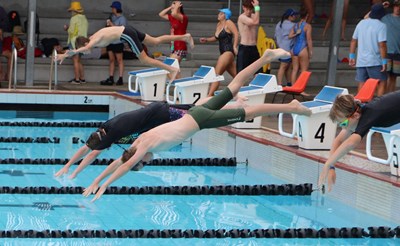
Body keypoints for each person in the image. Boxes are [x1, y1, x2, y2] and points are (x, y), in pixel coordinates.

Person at [82, 48, 313, 201]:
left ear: (139, 160)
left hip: (200, 120)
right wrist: (95, 180)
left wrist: (104, 187)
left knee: (249, 112)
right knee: (234, 87)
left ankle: (291, 107)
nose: (146, 163)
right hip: (196, 114)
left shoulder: (144, 146)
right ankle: (264, 58)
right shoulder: (140, 142)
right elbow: (119, 161)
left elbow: (123, 166)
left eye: (142, 165)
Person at [319, 91, 400, 192]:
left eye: (343, 123)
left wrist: (327, 164)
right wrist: (331, 167)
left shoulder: (369, 114)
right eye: (340, 124)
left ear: (355, 116)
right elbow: (338, 141)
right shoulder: (360, 112)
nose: (342, 127)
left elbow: (351, 143)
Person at [56, 26, 195, 83]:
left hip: (126, 35)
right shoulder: (93, 36)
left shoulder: (94, 41)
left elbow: (82, 49)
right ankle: (184, 37)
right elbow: (83, 45)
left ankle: (172, 69)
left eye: (84, 49)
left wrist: (65, 54)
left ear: (84, 44)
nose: (85, 52)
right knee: (155, 40)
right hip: (128, 29)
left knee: (145, 60)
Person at [349, 3, 387, 96]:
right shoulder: (381, 25)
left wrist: (351, 56)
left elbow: (353, 41)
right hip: (375, 60)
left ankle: (359, 105)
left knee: (362, 83)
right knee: (381, 82)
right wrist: (384, 61)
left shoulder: (361, 23)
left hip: (361, 60)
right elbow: (382, 45)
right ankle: (379, 106)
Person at [199, 8, 239, 96]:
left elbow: (236, 33)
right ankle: (244, 94)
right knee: (237, 77)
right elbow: (216, 37)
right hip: (223, 53)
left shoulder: (229, 23)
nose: (218, 15)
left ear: (225, 15)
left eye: (220, 14)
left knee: (216, 75)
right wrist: (207, 40)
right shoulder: (218, 25)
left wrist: (235, 46)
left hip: (228, 52)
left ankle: (209, 96)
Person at [100, 1, 127, 86]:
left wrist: (111, 24)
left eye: (113, 8)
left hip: (118, 41)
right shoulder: (112, 17)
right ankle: (111, 77)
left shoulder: (122, 19)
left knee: (119, 60)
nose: (112, 9)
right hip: (110, 41)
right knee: (111, 60)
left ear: (116, 9)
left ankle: (120, 78)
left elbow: (121, 29)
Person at [65, 1, 89, 85]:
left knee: (75, 60)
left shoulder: (74, 18)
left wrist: (66, 28)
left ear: (74, 11)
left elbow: (71, 31)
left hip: (74, 41)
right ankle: (82, 78)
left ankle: (77, 79)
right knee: (79, 61)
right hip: (83, 41)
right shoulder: (84, 18)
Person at [289, 8, 313, 86]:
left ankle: (293, 87)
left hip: (294, 49)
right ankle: (300, 89)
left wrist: (296, 33)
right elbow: (308, 39)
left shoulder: (295, 25)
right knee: (303, 71)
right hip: (302, 49)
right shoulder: (307, 26)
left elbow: (289, 36)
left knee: (294, 70)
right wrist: (310, 51)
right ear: (307, 16)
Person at [274, 8, 298, 86]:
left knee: (287, 67)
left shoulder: (279, 23)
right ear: (290, 16)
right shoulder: (293, 25)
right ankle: (279, 84)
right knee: (284, 66)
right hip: (287, 47)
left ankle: (288, 82)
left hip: (280, 46)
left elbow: (275, 36)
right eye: (294, 15)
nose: (295, 16)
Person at [236, 0, 261, 74]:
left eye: (250, 9)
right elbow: (255, 22)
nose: (249, 11)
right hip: (244, 47)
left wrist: (256, 8)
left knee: (258, 71)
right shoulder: (242, 17)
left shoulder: (254, 15)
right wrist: (257, 7)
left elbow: (256, 20)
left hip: (253, 47)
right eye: (247, 9)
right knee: (241, 73)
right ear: (243, 7)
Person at [381, 0, 400, 93]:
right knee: (385, 77)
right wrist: (382, 6)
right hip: (387, 52)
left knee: (394, 77)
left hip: (397, 52)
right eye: (396, 6)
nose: (398, 8)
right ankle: (384, 97)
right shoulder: (385, 18)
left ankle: (390, 96)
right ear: (393, 7)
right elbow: (367, 17)